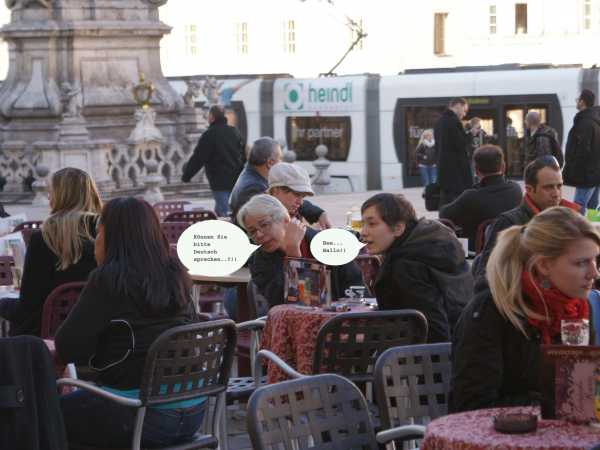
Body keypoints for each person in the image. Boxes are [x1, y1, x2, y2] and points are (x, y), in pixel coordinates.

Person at [55, 198, 203, 448]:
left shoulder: (108, 279)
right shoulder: (176, 271)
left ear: (113, 237)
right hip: (194, 413)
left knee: (35, 415)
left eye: (98, 232)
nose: (95, 241)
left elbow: (67, 348)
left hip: (139, 416)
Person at [450, 207, 599, 413]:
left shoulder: (578, 309)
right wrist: (550, 402)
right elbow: (475, 407)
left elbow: (580, 398)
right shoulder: (491, 311)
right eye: (582, 262)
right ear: (544, 265)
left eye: (595, 260)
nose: (594, 273)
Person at [0, 168, 101, 337]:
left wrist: (2, 304)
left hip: (43, 336)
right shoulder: (105, 235)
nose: (48, 198)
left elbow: (27, 308)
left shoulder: (43, 240)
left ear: (62, 199)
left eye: (51, 193)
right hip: (92, 334)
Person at [360, 193, 473, 342]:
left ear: (399, 228)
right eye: (363, 224)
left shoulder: (406, 266)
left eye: (372, 224)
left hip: (433, 360)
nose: (363, 232)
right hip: (466, 348)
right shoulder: (439, 248)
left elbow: (433, 332)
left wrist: (370, 337)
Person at [238, 195, 366, 309]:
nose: (259, 235)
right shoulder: (259, 260)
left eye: (265, 225)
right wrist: (293, 256)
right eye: (253, 231)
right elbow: (284, 305)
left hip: (340, 324)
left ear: (285, 220)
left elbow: (359, 294)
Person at [476, 156, 580, 279]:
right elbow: (483, 276)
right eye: (548, 187)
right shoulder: (508, 223)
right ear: (530, 190)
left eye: (559, 186)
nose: (556, 193)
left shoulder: (572, 220)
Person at [229, 138, 332, 229]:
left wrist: (318, 213)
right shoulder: (253, 188)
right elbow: (273, 232)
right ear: (270, 163)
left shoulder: (255, 179)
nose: (282, 163)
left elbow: (288, 195)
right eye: (280, 158)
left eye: (303, 196)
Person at [439, 145, 522, 252]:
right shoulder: (515, 189)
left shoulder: (470, 197)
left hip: (477, 253)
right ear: (503, 167)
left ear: (475, 170)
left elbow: (444, 215)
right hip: (509, 249)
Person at [181, 104, 246, 217]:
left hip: (220, 183)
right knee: (222, 212)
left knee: (225, 216)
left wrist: (186, 177)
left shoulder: (209, 135)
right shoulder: (235, 133)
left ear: (211, 116)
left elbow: (198, 158)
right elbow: (244, 158)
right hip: (237, 183)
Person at [435, 97, 481, 208]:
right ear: (458, 105)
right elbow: (460, 144)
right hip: (455, 172)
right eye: (464, 110)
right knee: (459, 203)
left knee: (445, 203)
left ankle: (444, 223)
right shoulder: (454, 121)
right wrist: (471, 134)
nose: (464, 114)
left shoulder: (439, 120)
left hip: (443, 170)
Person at [563, 88, 600, 217]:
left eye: (577, 99)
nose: (576, 102)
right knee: (592, 206)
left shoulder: (585, 121)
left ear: (582, 102)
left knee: (578, 205)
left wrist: (574, 170)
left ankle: (580, 234)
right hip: (596, 172)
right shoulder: (596, 119)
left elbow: (582, 149)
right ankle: (594, 232)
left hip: (586, 173)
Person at [466, 117, 488, 183]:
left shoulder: (481, 133)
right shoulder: (467, 133)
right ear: (473, 125)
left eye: (479, 126)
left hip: (480, 156)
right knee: (472, 174)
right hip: (470, 156)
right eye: (477, 126)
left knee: (480, 173)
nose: (479, 127)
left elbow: (484, 144)